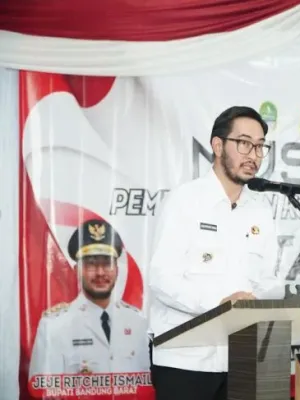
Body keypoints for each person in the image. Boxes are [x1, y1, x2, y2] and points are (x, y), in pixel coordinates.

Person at [148, 106, 283, 400]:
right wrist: (219, 305)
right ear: (218, 145)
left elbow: (268, 279)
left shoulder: (261, 210)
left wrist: (261, 300)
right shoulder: (184, 201)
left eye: (260, 146)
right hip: (186, 360)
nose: (254, 155)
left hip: (244, 358)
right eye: (244, 143)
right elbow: (162, 278)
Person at [29, 220, 150, 377]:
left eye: (107, 264)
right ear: (77, 270)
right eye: (91, 264)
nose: (100, 272)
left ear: (117, 270)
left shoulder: (136, 323)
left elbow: (145, 385)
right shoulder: (54, 327)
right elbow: (44, 389)